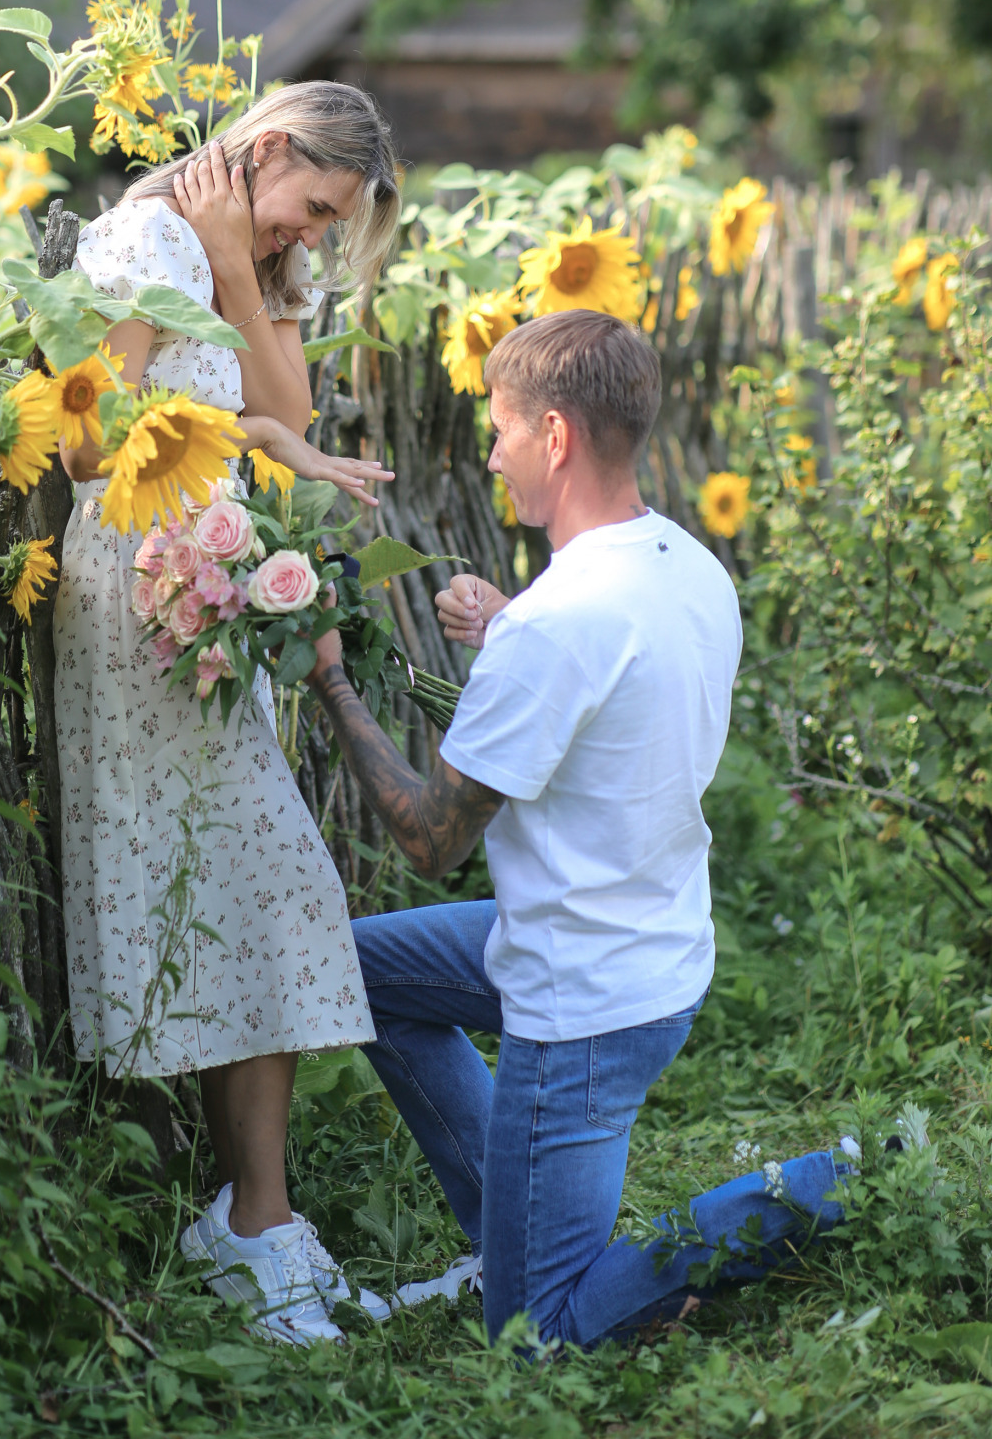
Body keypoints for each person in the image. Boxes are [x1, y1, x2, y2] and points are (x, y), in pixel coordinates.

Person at [306, 308, 853, 1349]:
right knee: (356, 969)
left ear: (554, 436)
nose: (492, 453)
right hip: (645, 941)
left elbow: (429, 840)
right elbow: (612, 688)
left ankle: (816, 1188)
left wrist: (333, 681)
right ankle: (500, 1226)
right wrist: (507, 624)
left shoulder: (555, 630)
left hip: (584, 1005)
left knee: (539, 1337)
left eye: (502, 429)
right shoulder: (680, 565)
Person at [54, 81, 402, 1345]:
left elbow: (287, 416)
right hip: (140, 588)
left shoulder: (230, 254)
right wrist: (239, 420)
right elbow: (91, 443)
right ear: (263, 152)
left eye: (324, 226)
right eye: (306, 207)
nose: (304, 236)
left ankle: (254, 1228)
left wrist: (240, 277)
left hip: (208, 593)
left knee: (254, 891)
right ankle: (249, 1233)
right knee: (264, 885)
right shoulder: (142, 242)